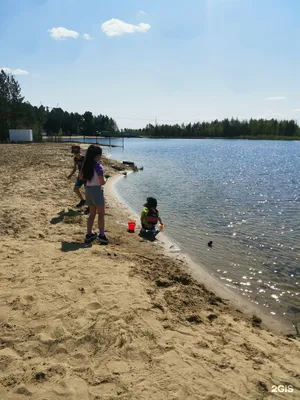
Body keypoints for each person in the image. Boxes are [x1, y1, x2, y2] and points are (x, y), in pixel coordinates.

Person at [81, 145, 108, 245]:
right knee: (101, 214)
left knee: (92, 213)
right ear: (97, 155)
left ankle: (89, 234)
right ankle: (101, 235)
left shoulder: (85, 165)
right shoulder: (98, 167)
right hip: (96, 191)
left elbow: (81, 177)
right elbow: (102, 182)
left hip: (88, 190)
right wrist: (106, 179)